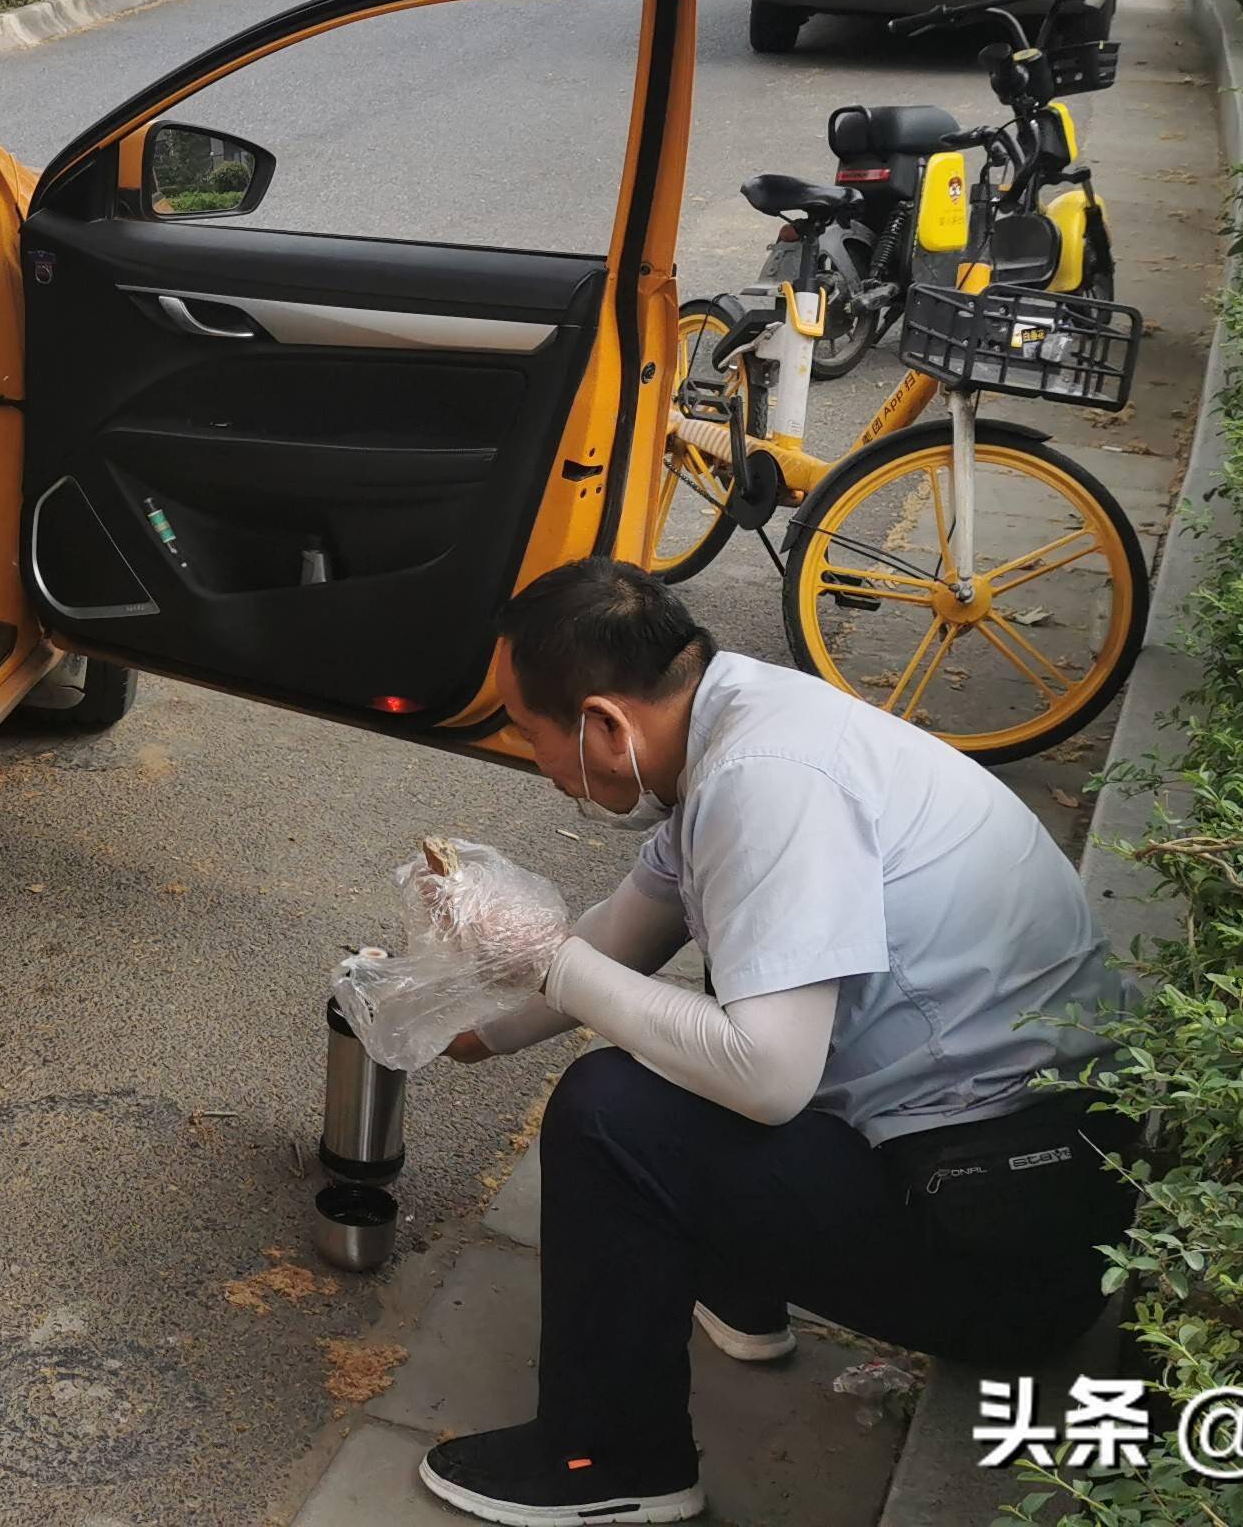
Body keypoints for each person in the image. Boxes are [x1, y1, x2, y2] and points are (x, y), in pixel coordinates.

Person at [413, 558, 1144, 1527]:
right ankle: (743, 1288)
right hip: (1012, 1179)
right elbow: (626, 932)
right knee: (704, 1009)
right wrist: (475, 1025)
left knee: (607, 1114)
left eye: (524, 725)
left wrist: (548, 963)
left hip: (1007, 1248)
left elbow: (766, 1078)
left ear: (601, 725)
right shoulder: (737, 721)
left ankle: (612, 1462)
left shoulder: (764, 784)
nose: (526, 752)